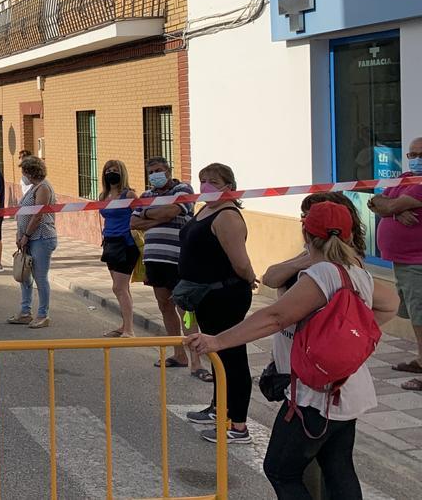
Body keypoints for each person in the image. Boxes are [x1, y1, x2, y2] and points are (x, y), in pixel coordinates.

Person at [187, 201, 400, 496]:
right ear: (350, 235)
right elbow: (391, 304)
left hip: (315, 394)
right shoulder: (356, 272)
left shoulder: (323, 274)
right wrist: (355, 336)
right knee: (338, 467)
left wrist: (217, 341)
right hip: (346, 390)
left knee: (280, 470)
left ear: (306, 233)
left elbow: (275, 317)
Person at [180, 162, 259, 444]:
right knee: (216, 354)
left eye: (213, 181)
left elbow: (240, 262)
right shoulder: (206, 209)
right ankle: (218, 408)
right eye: (203, 180)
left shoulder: (227, 216)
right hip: (204, 296)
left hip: (225, 296)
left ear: (229, 187)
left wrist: (251, 279)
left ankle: (238, 426)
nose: (206, 185)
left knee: (233, 357)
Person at [130, 157, 203, 377]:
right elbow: (133, 223)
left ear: (168, 171)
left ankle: (196, 362)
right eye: (151, 172)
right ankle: (178, 354)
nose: (155, 175)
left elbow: (173, 212)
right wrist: (158, 214)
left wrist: (148, 214)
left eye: (159, 170)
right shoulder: (145, 196)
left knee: (186, 310)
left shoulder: (183, 188)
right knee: (165, 305)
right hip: (155, 260)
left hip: (179, 260)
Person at [368, 136, 422, 390]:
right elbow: (374, 201)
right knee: (414, 313)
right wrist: (395, 209)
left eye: (420, 154)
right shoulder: (406, 179)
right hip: (402, 260)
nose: (415, 159)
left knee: (421, 314)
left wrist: (391, 207)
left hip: (417, 261)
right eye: (412, 155)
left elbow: (388, 204)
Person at [9, 156, 57, 328]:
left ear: (30, 171)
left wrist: (26, 235)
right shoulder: (34, 187)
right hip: (29, 238)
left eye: (24, 171)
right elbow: (24, 213)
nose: (23, 175)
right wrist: (19, 233)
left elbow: (38, 215)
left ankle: (43, 314)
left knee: (40, 277)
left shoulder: (43, 188)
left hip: (41, 237)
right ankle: (25, 311)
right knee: (25, 275)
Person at [98, 160, 139, 338]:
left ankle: (129, 329)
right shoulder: (103, 196)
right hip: (109, 242)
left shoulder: (129, 195)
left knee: (119, 288)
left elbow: (141, 215)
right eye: (108, 170)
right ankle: (124, 325)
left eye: (115, 170)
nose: (111, 173)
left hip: (126, 244)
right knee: (122, 289)